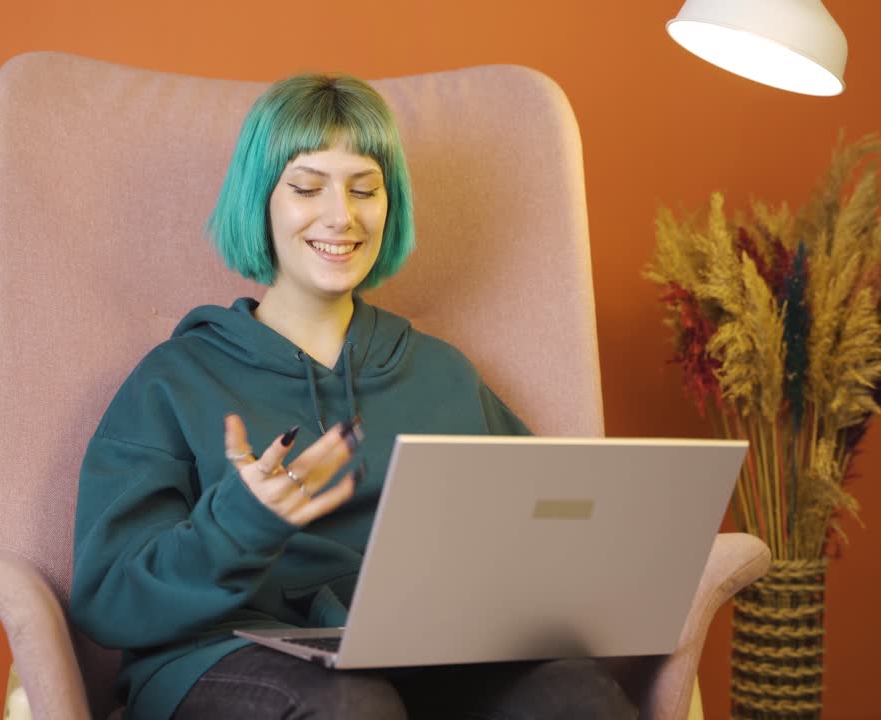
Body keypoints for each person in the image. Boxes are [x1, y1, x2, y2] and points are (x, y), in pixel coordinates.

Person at [69, 72, 637, 720]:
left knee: (575, 697)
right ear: (260, 201)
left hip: (422, 658)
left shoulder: (443, 374)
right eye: (307, 187)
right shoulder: (174, 380)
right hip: (220, 654)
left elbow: (540, 534)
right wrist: (238, 523)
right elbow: (108, 599)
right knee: (352, 706)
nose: (342, 215)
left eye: (364, 189)